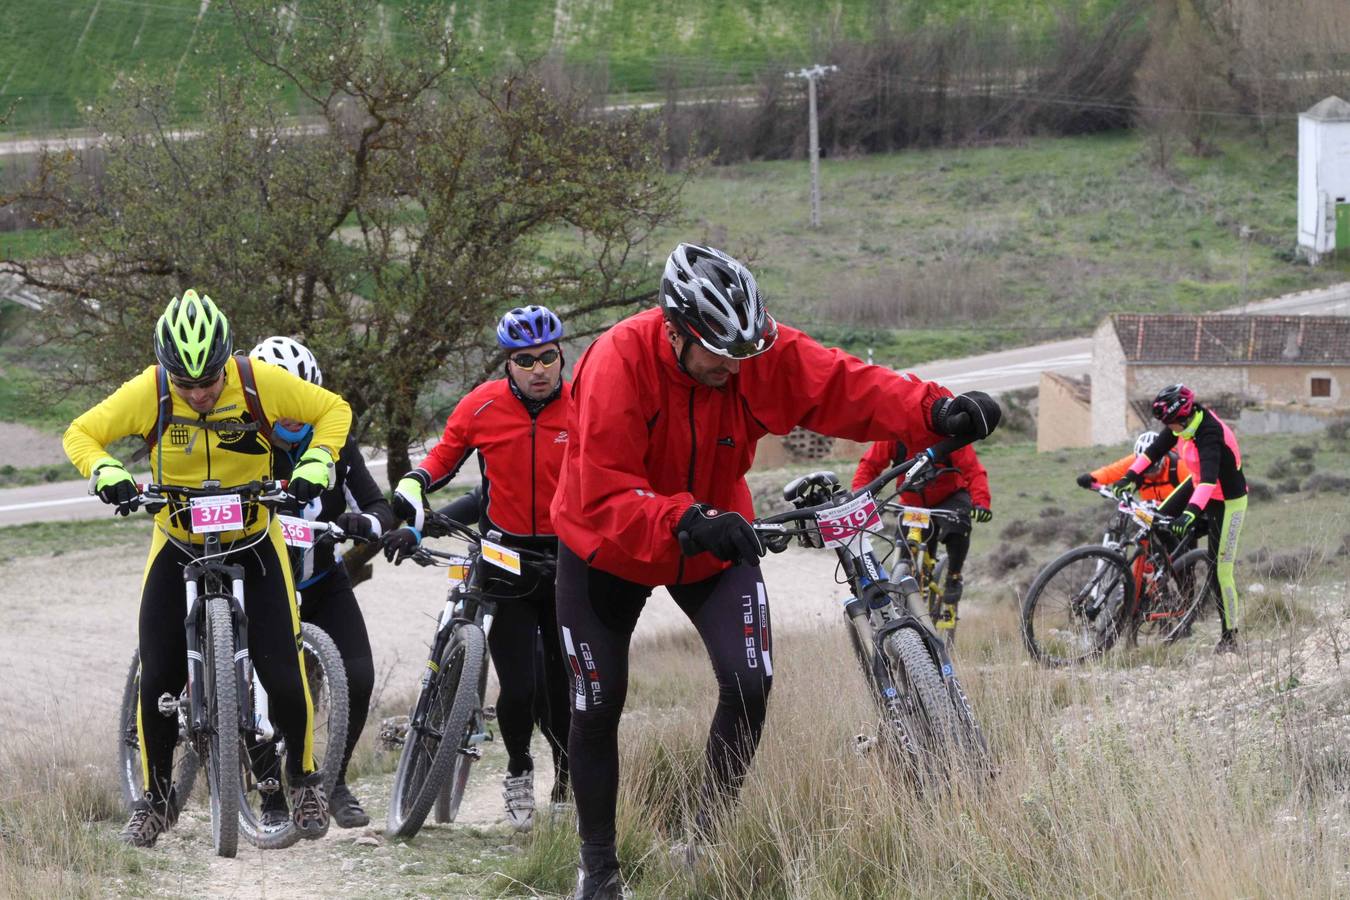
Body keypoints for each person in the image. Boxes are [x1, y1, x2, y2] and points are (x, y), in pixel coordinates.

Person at [549, 243, 1000, 899]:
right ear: (673, 331)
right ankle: (599, 868)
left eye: (745, 353)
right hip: (607, 543)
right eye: (717, 355)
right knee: (597, 702)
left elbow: (844, 384)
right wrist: (683, 517)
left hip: (714, 538)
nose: (734, 368)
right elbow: (605, 491)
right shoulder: (616, 363)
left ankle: (704, 840)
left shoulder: (750, 355)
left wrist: (936, 412)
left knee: (750, 683)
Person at [64, 291, 350, 847]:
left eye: (209, 381)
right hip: (177, 539)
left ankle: (305, 779)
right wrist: (106, 472)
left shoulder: (256, 381)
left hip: (252, 534)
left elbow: (333, 409)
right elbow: (81, 433)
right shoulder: (150, 390)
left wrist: (316, 462)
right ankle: (155, 799)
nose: (198, 393)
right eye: (185, 383)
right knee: (159, 672)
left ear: (227, 362)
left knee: (283, 669)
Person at [384, 305, 573, 831]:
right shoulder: (481, 405)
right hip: (506, 560)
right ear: (508, 364)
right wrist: (414, 484)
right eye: (525, 360)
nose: (539, 369)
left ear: (561, 356)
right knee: (519, 688)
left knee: (565, 687)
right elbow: (442, 459)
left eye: (548, 357)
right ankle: (518, 771)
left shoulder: (585, 405)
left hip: (568, 560)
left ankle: (565, 784)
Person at [248, 336, 398, 829]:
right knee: (265, 692)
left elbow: (376, 503)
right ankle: (271, 793)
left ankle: (331, 780)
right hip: (261, 588)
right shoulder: (242, 441)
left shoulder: (332, 438)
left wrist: (367, 524)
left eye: (303, 404)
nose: (293, 419)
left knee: (358, 677)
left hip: (322, 580)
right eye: (282, 407)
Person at [1111, 384, 1247, 653]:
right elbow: (1153, 453)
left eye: (1171, 424)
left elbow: (1209, 481)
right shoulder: (1181, 425)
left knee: (1221, 572)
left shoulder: (1209, 432)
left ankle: (1230, 637)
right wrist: (1129, 477)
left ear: (1183, 417)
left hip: (1227, 500)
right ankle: (1176, 572)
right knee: (1156, 521)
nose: (1170, 429)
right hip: (1196, 485)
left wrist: (1189, 514)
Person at [852, 408, 992, 637]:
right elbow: (869, 465)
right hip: (913, 502)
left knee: (957, 527)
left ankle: (953, 578)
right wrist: (859, 495)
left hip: (949, 497)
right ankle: (906, 590)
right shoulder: (893, 436)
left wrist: (981, 503)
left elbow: (973, 470)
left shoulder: (948, 434)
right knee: (905, 551)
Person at [1076, 430, 1189, 503]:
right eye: (1144, 470)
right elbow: (1111, 472)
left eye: (1153, 469)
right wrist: (1092, 477)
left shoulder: (1180, 466)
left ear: (1163, 460)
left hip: (1177, 515)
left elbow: (1196, 488)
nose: (1149, 474)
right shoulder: (1135, 462)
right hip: (1148, 516)